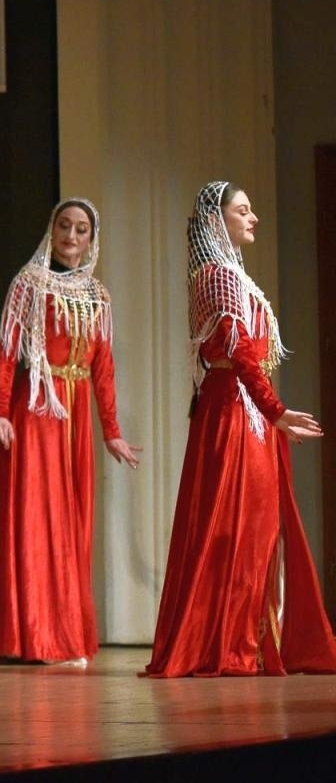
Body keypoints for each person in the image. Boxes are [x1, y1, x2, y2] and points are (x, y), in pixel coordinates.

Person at [145, 182, 336, 677]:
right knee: (230, 527)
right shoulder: (217, 277)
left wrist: (271, 415)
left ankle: (246, 639)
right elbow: (239, 351)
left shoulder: (234, 277)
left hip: (245, 408)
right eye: (242, 211)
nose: (253, 218)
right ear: (216, 221)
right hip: (233, 410)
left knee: (255, 528)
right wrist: (275, 410)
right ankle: (225, 643)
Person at [0, 199, 141, 667]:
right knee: (36, 519)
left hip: (75, 412)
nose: (71, 235)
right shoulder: (28, 284)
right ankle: (37, 635)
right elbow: (7, 351)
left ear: (91, 238)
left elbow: (103, 368)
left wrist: (112, 431)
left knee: (71, 523)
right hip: (37, 408)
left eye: (81, 229)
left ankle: (62, 632)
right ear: (52, 231)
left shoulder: (97, 295)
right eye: (64, 226)